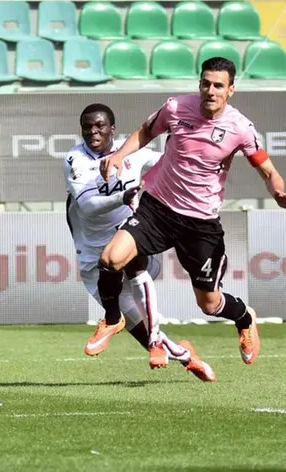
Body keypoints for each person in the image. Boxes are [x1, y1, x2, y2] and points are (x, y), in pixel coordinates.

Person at [97, 57, 286, 366]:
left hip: (201, 225)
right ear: (199, 84)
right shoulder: (175, 108)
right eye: (206, 84)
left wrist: (279, 190)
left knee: (209, 304)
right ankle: (112, 318)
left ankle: (244, 317)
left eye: (218, 86)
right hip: (157, 209)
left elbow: (267, 170)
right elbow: (145, 131)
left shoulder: (240, 128)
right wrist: (119, 154)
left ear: (231, 90)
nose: (210, 91)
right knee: (110, 258)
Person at [64, 104, 215, 381]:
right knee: (138, 328)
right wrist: (123, 197)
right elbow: (87, 207)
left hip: (127, 237)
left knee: (133, 260)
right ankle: (184, 355)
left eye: (100, 126)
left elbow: (171, 162)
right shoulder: (75, 159)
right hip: (93, 257)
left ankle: (137, 331)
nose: (93, 131)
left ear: (113, 129)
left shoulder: (131, 151)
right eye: (88, 126)